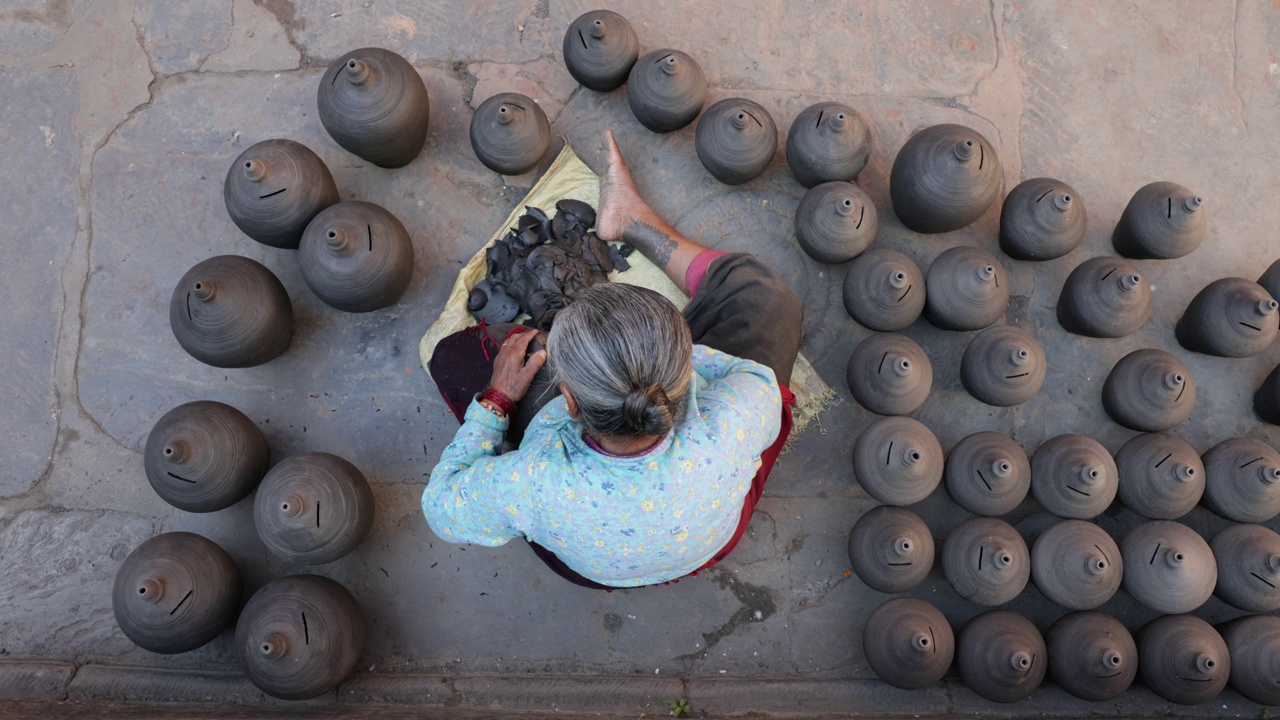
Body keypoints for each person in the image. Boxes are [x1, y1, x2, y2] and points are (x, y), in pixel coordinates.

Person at [422, 130, 803, 588]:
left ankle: (625, 230)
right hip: (707, 537)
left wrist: (498, 401)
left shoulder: (534, 483)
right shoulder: (738, 409)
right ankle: (630, 221)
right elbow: (751, 375)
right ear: (684, 364)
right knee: (763, 296)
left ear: (569, 403)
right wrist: (654, 354)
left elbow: (441, 506)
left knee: (456, 355)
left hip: (599, 568)